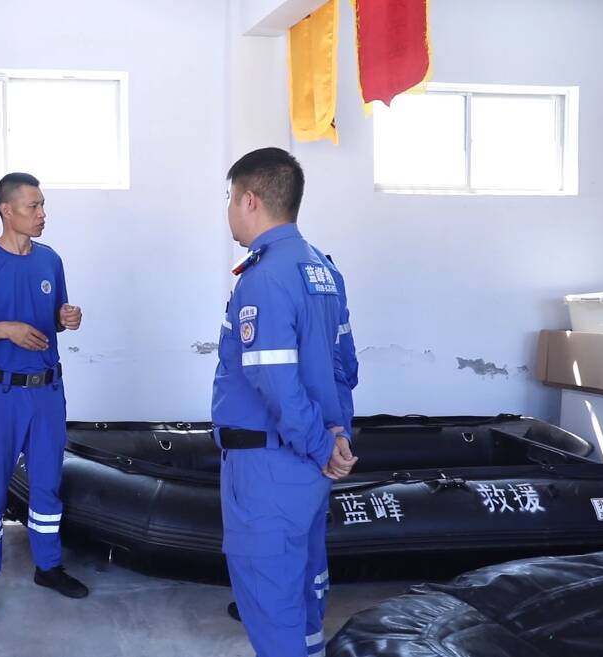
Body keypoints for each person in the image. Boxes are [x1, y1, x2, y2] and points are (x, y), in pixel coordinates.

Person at [212, 147, 359, 657]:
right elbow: (344, 368)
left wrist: (320, 445)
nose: (229, 209)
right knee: (304, 596)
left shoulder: (263, 279)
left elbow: (275, 383)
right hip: (309, 469)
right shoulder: (323, 271)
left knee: (271, 603)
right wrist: (336, 437)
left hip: (268, 471)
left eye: (229, 197)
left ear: (250, 200)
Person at [0, 172, 88, 619]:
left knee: (47, 484)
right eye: (33, 206)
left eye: (42, 205)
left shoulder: (50, 260)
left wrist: (66, 317)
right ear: (7, 211)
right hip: (0, 395)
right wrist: (4, 329)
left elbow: (54, 317)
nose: (42, 214)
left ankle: (49, 566)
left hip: (48, 393)